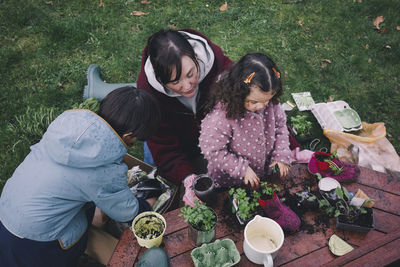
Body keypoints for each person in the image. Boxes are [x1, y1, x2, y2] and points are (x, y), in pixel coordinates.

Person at [0, 86, 161, 266]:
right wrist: (146, 205)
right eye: (135, 141)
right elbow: (124, 211)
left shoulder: (68, 127)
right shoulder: (103, 166)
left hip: (7, 211)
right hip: (35, 241)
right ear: (128, 136)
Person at [199, 53, 300, 231]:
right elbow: (212, 151)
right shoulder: (222, 116)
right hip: (229, 182)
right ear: (238, 92)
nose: (261, 107)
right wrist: (242, 169)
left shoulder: (268, 103)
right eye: (254, 102)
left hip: (263, 175)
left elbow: (280, 127)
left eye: (266, 101)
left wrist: (281, 155)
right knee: (234, 220)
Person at [137, 29, 233, 205]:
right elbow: (165, 150)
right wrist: (187, 177)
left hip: (208, 137)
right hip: (172, 140)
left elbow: (254, 104)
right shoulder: (150, 98)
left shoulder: (219, 67)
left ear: (196, 58)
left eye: (191, 74)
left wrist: (291, 148)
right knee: (156, 168)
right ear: (161, 81)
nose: (187, 86)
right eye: (175, 82)